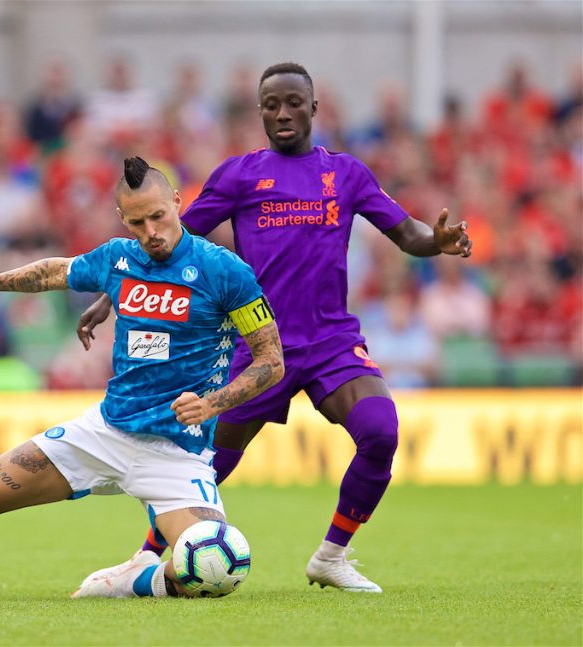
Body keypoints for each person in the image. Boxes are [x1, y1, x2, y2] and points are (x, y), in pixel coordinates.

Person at [77, 63, 472, 593]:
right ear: (260, 111)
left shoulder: (347, 174)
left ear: (314, 108)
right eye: (271, 105)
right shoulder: (239, 175)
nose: (282, 113)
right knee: (208, 469)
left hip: (332, 340)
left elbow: (406, 233)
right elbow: (165, 244)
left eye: (292, 102)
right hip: (260, 346)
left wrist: (437, 240)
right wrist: (109, 296)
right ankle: (143, 558)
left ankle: (332, 555)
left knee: (380, 432)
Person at [0, 157, 284, 602]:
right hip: (106, 431)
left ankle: (128, 582)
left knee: (214, 568)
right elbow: (57, 271)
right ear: (122, 219)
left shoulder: (226, 271)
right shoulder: (119, 258)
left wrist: (214, 404)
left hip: (177, 452)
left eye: (158, 216)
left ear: (176, 202)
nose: (151, 231)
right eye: (137, 221)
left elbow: (271, 361)